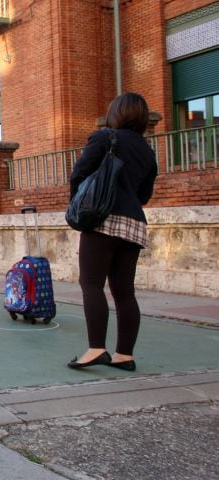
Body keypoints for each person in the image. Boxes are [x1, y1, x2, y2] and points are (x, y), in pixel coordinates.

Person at [67, 92, 158, 372]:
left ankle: (96, 349)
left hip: (102, 219)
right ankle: (124, 355)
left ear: (115, 113)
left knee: (91, 284)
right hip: (134, 224)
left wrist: (78, 202)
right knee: (124, 292)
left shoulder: (105, 137)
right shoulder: (147, 150)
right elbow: (144, 194)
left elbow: (79, 173)